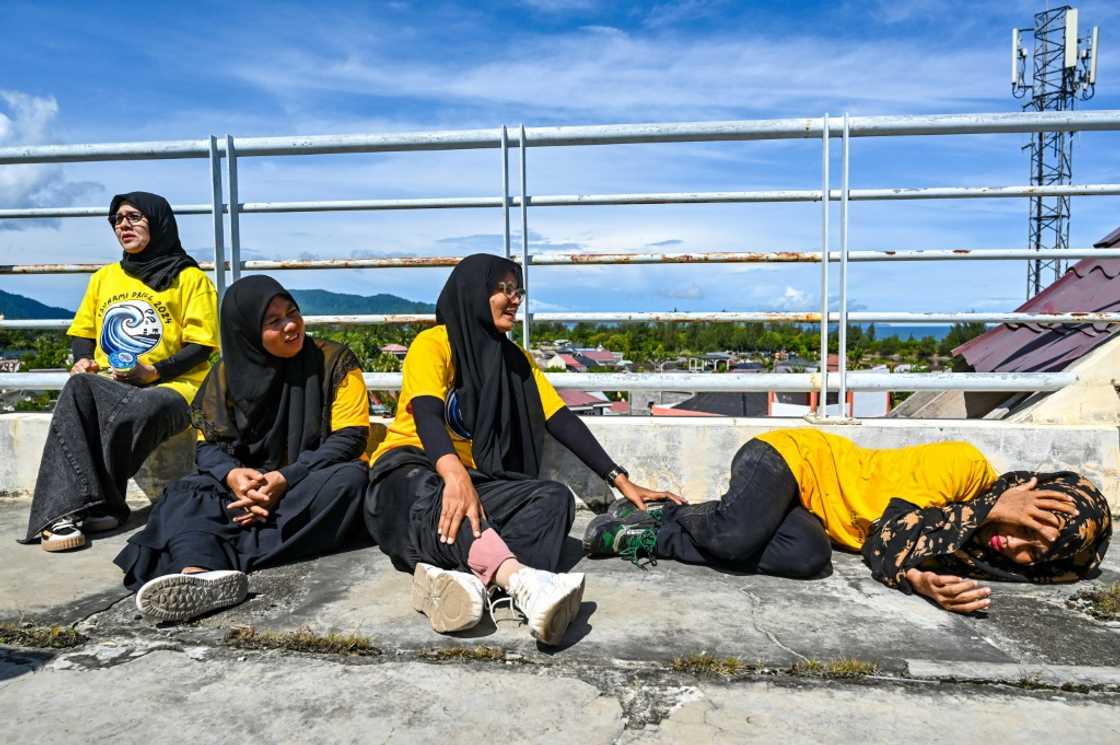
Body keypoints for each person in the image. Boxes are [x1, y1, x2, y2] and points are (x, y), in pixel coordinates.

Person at [365, 253, 682, 646]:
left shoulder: (516, 362)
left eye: (518, 291)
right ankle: (523, 582)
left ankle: (462, 584)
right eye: (503, 290)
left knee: (553, 499)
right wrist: (452, 473)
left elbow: (561, 420)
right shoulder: (434, 344)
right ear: (473, 293)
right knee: (434, 495)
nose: (514, 299)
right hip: (409, 471)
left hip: (473, 478)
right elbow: (428, 413)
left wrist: (620, 479)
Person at [585, 428, 1111, 613]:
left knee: (808, 559)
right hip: (790, 458)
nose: (1015, 543)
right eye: (1028, 521)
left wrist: (919, 577)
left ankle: (659, 527)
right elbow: (889, 534)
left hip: (810, 511)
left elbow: (900, 552)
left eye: (1036, 551)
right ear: (1024, 487)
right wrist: (990, 508)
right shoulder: (963, 466)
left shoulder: (967, 542)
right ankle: (665, 519)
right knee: (734, 536)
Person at [114, 275, 371, 622]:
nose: (291, 326)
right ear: (246, 331)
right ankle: (198, 574)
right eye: (274, 321)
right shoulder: (225, 375)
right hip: (248, 485)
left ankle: (208, 557)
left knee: (351, 480)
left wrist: (285, 478)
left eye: (292, 313)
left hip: (306, 480)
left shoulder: (334, 361)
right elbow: (208, 449)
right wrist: (234, 476)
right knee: (185, 491)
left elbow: (350, 437)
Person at [21, 192, 219, 552]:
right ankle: (62, 515)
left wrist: (154, 372)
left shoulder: (189, 279)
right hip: (112, 382)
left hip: (175, 387)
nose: (123, 225)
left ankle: (98, 504)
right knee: (79, 385)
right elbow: (83, 333)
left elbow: (202, 346)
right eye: (116, 219)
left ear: (159, 222)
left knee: (147, 406)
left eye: (134, 217)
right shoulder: (104, 279)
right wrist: (84, 360)